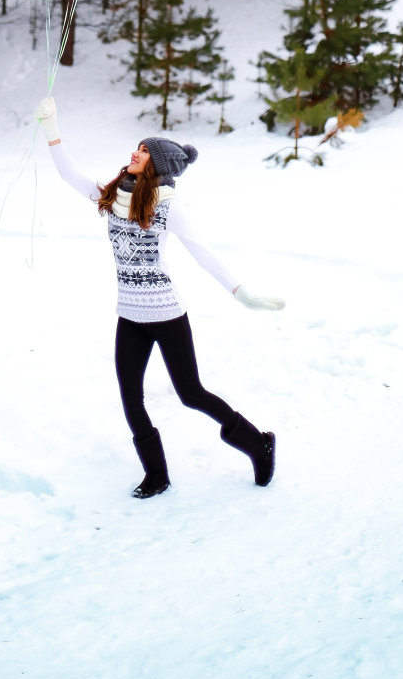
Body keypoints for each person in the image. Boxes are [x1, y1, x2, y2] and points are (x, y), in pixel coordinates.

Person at [35, 94, 285, 500]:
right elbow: (68, 174)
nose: (134, 153)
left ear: (158, 165)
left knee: (191, 394)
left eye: (143, 151)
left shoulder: (168, 207)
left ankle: (259, 444)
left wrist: (243, 295)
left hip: (167, 315)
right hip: (129, 317)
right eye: (137, 147)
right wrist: (52, 127)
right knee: (130, 397)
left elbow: (204, 254)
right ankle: (157, 475)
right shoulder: (115, 195)